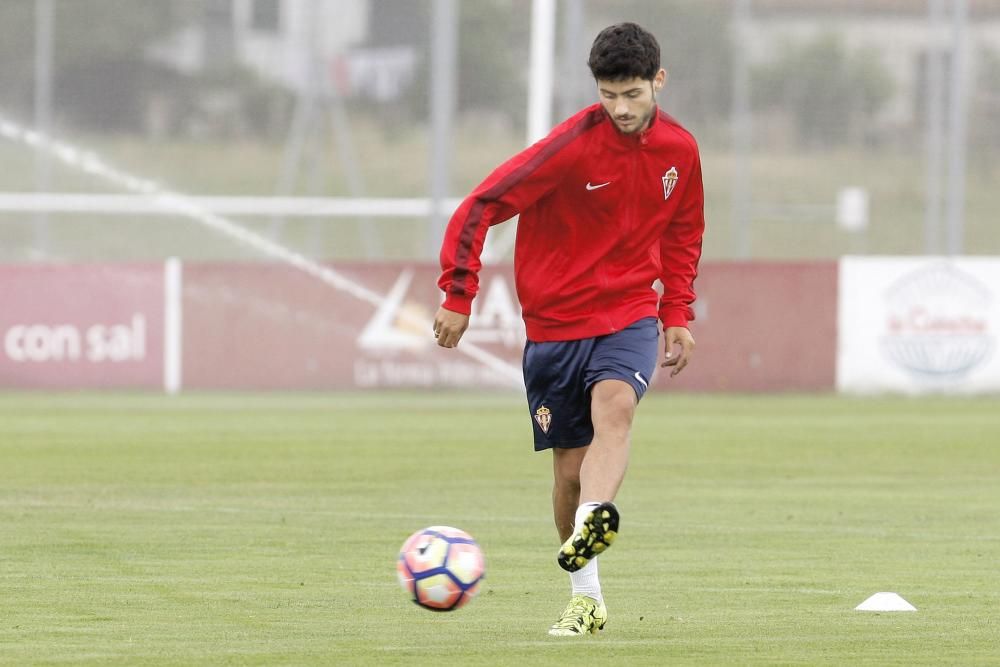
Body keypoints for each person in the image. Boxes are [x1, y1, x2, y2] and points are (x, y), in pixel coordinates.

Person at [433, 22, 704, 636]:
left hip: (630, 312)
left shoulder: (681, 151)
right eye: (609, 95)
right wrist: (458, 292)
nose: (621, 108)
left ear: (658, 81)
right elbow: (482, 205)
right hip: (555, 327)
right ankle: (585, 593)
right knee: (567, 472)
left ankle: (594, 518)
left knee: (617, 408)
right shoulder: (570, 148)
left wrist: (676, 312)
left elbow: (684, 232)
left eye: (633, 93)